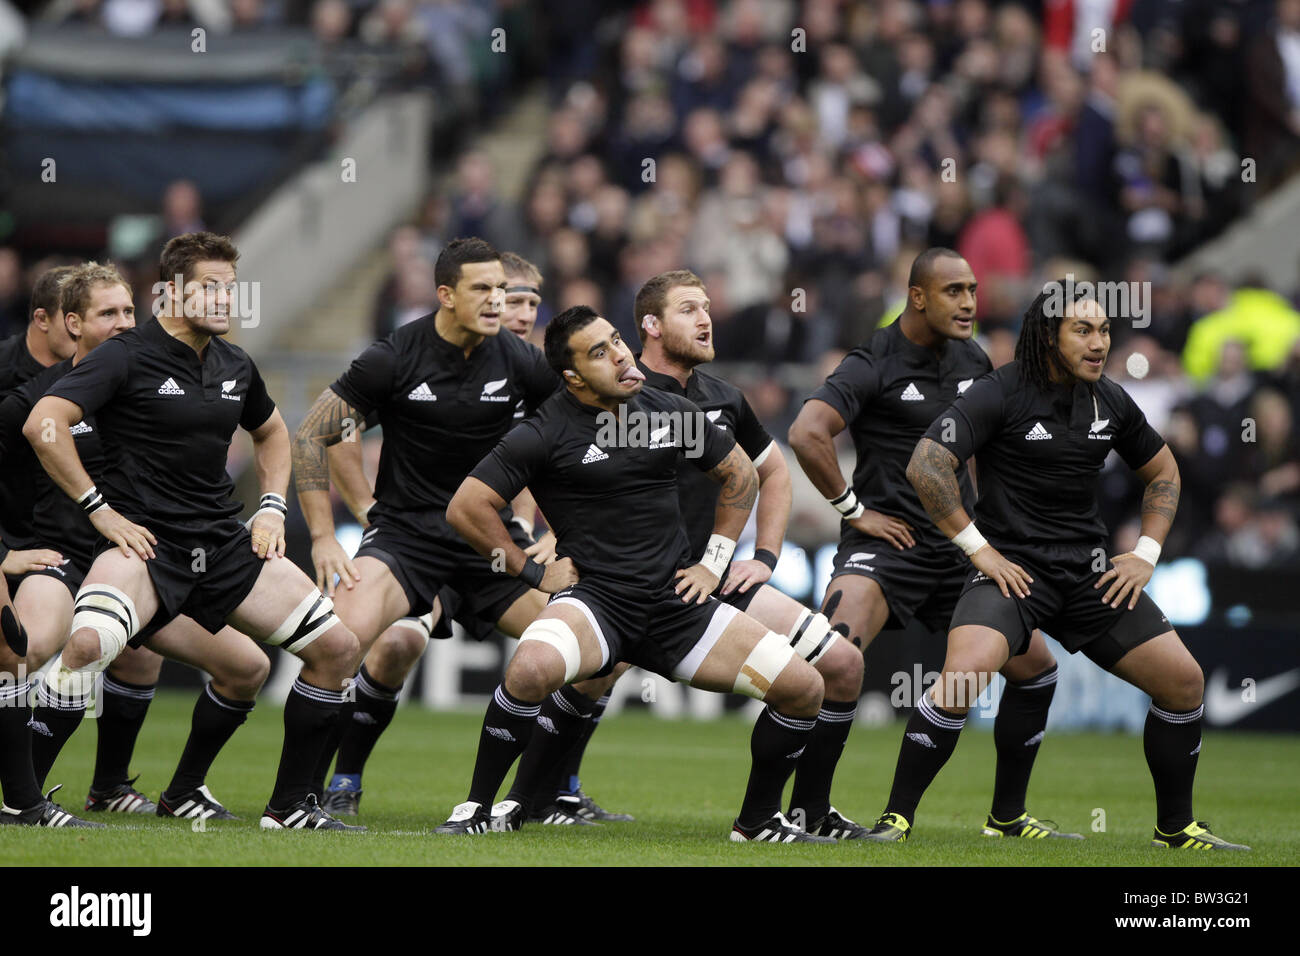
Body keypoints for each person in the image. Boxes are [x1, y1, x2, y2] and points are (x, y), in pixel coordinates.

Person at [861, 283, 1249, 850]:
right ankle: (895, 821)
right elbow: (927, 464)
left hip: (1089, 573)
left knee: (1185, 682)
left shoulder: (1111, 399)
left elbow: (1164, 473)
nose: (1100, 344)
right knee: (964, 675)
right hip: (1012, 571)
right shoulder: (1001, 390)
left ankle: (1175, 828)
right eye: (1084, 331)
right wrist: (980, 550)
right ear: (1048, 336)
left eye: (1105, 331)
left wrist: (1144, 555)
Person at [433, 305, 835, 843]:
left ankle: (758, 821)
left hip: (674, 607)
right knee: (529, 671)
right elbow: (466, 507)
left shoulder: (668, 410)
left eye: (617, 341)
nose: (620, 354)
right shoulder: (545, 430)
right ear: (573, 376)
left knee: (805, 687)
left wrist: (714, 562)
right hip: (598, 603)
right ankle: (477, 807)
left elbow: (740, 472)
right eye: (600, 352)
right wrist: (531, 572)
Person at [23, 233, 363, 831]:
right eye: (211, 286)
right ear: (170, 292)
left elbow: (275, 433)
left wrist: (269, 508)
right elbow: (44, 423)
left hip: (225, 543)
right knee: (86, 647)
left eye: (231, 288)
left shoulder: (236, 363)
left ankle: (287, 810)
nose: (225, 299)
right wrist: (99, 508)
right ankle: (19, 800)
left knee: (337, 648)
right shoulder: (124, 354)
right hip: (146, 547)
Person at [788, 248, 1071, 840]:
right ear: (918, 296)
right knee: (830, 660)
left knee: (1037, 668)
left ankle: (1008, 817)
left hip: (960, 547)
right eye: (955, 292)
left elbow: (993, 448)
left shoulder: (974, 357)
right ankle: (805, 812)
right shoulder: (872, 362)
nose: (970, 303)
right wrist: (854, 511)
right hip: (887, 543)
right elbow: (807, 433)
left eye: (973, 290)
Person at [0, 262, 269, 822]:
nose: (125, 323)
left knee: (245, 666)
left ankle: (136, 789)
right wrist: (7, 554)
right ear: (72, 326)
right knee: (26, 651)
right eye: (108, 314)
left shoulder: (146, 384)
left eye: (129, 311)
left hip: (144, 565)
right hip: (64, 562)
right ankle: (21, 795)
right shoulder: (36, 403)